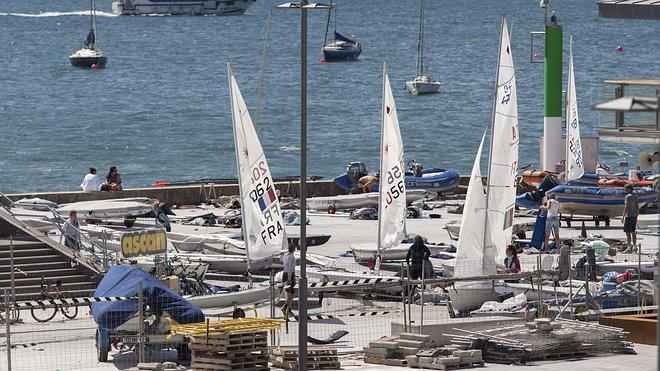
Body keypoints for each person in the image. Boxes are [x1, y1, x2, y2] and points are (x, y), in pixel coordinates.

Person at [622, 183, 639, 251]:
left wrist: (623, 217)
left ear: (629, 189)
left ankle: (629, 247)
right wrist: (637, 215)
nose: (625, 190)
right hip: (634, 216)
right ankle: (634, 246)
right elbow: (637, 207)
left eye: (626, 189)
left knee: (627, 232)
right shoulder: (635, 196)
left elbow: (626, 207)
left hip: (629, 216)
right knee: (633, 231)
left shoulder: (628, 196)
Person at [281, 243, 297, 316]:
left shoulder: (285, 256)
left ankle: (289, 309)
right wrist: (289, 278)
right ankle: (285, 307)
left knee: (291, 293)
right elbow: (290, 268)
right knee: (290, 294)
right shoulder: (291, 257)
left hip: (284, 274)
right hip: (289, 275)